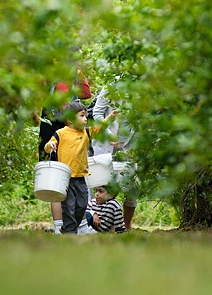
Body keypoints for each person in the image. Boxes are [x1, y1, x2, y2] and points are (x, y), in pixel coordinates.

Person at [44, 101, 118, 234]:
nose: (85, 119)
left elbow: (99, 127)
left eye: (85, 116)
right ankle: (70, 232)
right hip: (66, 179)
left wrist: (110, 117)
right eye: (82, 116)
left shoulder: (86, 133)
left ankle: (67, 228)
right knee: (68, 206)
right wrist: (50, 146)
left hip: (81, 177)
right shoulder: (60, 133)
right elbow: (48, 145)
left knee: (82, 205)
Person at [36, 69, 92, 234]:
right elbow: (64, 108)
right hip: (57, 134)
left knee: (72, 181)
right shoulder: (57, 81)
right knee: (58, 181)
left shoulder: (70, 80)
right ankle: (62, 226)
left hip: (62, 134)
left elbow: (86, 93)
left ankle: (74, 226)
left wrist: (79, 74)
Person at [92, 86, 137, 230]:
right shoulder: (111, 87)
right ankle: (100, 225)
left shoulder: (143, 87)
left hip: (128, 145)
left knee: (131, 186)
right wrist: (109, 134)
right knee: (102, 183)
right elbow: (97, 113)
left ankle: (125, 225)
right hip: (105, 143)